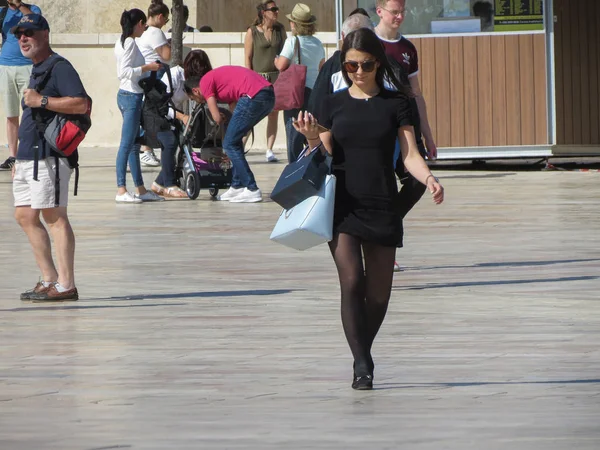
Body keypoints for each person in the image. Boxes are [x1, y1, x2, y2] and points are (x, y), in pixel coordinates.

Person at [292, 28, 444, 390]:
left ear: (378, 63)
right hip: (342, 203)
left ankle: (363, 348)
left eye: (366, 64)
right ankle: (362, 364)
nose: (358, 71)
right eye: (350, 65)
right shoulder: (331, 102)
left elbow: (409, 155)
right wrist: (312, 138)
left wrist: (429, 178)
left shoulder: (396, 104)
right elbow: (323, 151)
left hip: (381, 202)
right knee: (352, 282)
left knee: (378, 295)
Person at [12, 14, 89, 301]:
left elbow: (81, 103)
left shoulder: (60, 67)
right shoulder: (37, 68)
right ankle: (49, 278)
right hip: (27, 158)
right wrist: (18, 158)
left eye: (29, 33)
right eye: (19, 34)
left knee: (55, 217)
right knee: (24, 215)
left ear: (45, 34)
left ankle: (66, 284)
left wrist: (41, 100)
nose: (23, 38)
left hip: (49, 157)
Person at [184, 65, 275, 203]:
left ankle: (252, 188)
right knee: (235, 140)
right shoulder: (217, 81)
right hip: (267, 95)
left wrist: (219, 117)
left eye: (193, 98)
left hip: (253, 95)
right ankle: (237, 186)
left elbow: (216, 118)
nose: (196, 101)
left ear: (195, 91)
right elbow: (233, 107)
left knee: (229, 143)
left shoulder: (205, 83)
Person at [114, 8, 163, 203]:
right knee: (127, 145)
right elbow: (124, 71)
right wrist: (148, 67)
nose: (145, 29)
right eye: (144, 25)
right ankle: (121, 190)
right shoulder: (131, 43)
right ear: (139, 24)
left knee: (134, 145)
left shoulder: (121, 41)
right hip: (131, 97)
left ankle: (141, 189)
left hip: (127, 95)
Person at [150, 50, 212, 199]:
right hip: (155, 110)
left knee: (181, 142)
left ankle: (158, 184)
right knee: (169, 142)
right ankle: (170, 185)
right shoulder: (173, 76)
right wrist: (181, 116)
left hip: (173, 112)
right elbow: (160, 104)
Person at [274, 3, 325, 163]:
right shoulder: (317, 43)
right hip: (314, 92)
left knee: (294, 135)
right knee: (311, 133)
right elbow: (321, 67)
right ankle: (312, 166)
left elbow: (281, 66)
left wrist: (276, 60)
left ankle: (294, 171)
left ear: (294, 24)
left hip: (296, 93)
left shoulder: (292, 41)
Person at [0, 0, 41, 171]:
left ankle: (30, 152)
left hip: (27, 65)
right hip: (6, 66)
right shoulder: (2, 12)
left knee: (31, 112)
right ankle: (13, 155)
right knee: (11, 113)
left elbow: (35, 21)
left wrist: (18, 5)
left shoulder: (32, 9)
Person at [244, 0, 286, 163]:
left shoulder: (280, 30)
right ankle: (239, 146)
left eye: (277, 9)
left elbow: (285, 52)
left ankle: (269, 149)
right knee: (251, 114)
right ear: (264, 12)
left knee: (274, 114)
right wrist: (248, 79)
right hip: (257, 78)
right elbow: (248, 57)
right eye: (273, 9)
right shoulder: (252, 31)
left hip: (276, 76)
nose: (276, 12)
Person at [136, 0, 172, 167]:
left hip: (142, 77)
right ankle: (145, 149)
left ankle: (143, 149)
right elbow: (166, 55)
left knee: (145, 114)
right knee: (151, 114)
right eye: (166, 19)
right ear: (159, 17)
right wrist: (169, 44)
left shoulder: (141, 31)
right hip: (153, 77)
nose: (165, 23)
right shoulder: (156, 32)